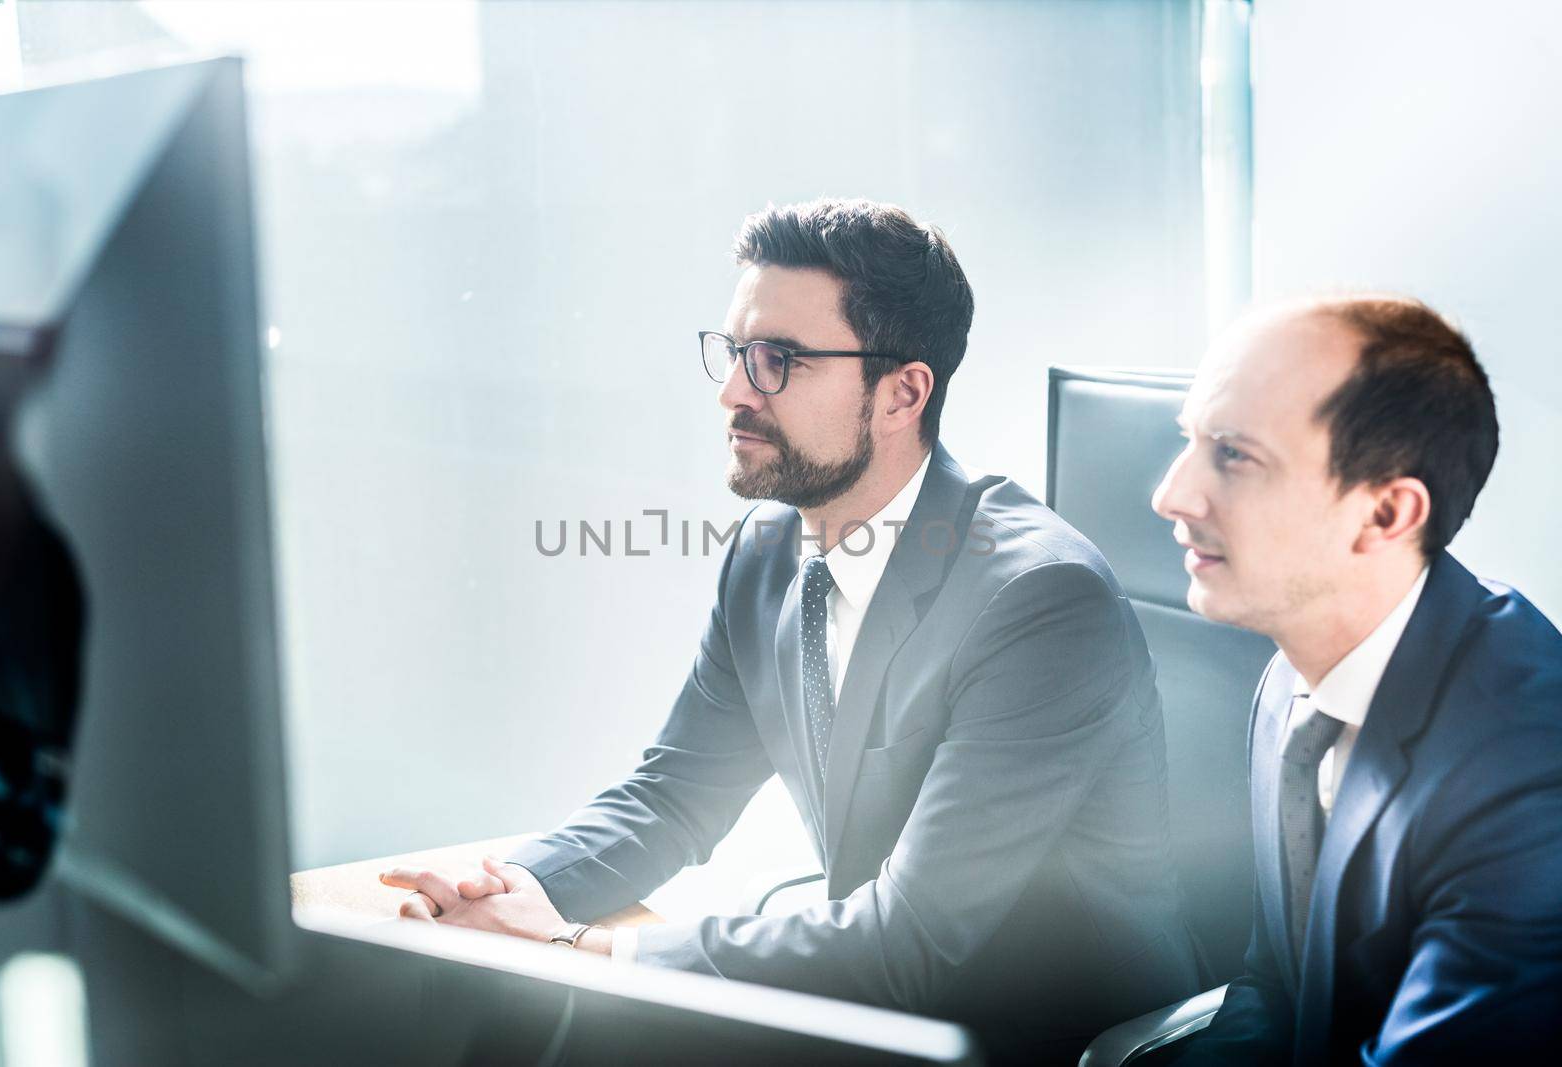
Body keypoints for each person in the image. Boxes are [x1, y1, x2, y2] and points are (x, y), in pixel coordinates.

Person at [386, 198, 1197, 1059]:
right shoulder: (770, 548)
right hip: (875, 1008)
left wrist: (575, 949)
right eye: (736, 352)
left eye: (780, 360)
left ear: (901, 394)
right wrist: (500, 891)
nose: (736, 390)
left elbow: (908, 941)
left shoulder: (1040, 601)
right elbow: (672, 796)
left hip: (1039, 1040)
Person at [1151, 295, 1562, 1063]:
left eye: (1234, 454)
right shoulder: (1291, 683)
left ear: (1385, 513)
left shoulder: (1527, 771)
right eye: (1190, 442)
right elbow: (1276, 989)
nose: (1171, 494)